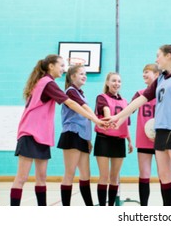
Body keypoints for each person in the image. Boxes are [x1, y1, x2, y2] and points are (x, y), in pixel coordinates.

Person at [107, 45, 171, 206]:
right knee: (164, 177)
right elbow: (140, 100)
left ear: (169, 56)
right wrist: (118, 117)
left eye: (158, 55)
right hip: (160, 132)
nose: (156, 59)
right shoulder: (161, 79)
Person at [10, 54, 107, 206]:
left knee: (41, 178)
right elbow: (71, 103)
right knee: (22, 178)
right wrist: (95, 119)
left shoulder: (48, 83)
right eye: (61, 66)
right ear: (51, 66)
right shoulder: (48, 83)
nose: (63, 69)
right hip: (29, 133)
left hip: (41, 135)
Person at [57, 65, 95, 206]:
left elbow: (85, 120)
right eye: (81, 74)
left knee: (86, 174)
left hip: (83, 137)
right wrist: (97, 119)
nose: (84, 76)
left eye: (85, 74)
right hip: (72, 134)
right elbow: (84, 109)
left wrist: (89, 139)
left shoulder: (80, 93)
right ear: (72, 76)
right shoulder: (71, 91)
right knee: (70, 173)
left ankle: (89, 207)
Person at [94, 72, 133, 206]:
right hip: (103, 139)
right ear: (107, 82)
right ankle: (102, 206)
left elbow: (125, 123)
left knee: (114, 178)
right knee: (104, 177)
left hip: (119, 140)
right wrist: (109, 119)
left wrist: (129, 140)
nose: (117, 83)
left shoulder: (125, 102)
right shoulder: (102, 97)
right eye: (114, 81)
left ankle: (111, 206)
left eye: (119, 81)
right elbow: (106, 111)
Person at [130, 63, 160, 206]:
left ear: (157, 75)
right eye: (143, 72)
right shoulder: (139, 93)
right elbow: (129, 110)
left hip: (161, 139)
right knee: (144, 175)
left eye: (146, 71)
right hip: (143, 138)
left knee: (164, 176)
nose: (143, 74)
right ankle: (144, 207)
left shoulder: (163, 92)